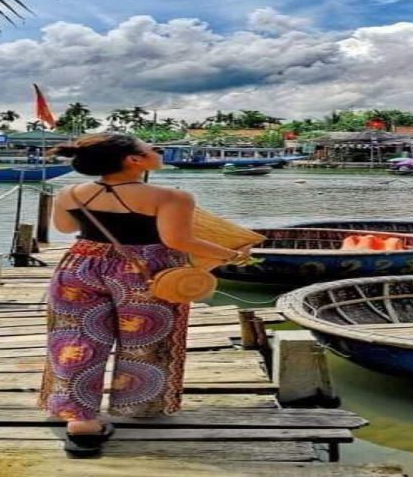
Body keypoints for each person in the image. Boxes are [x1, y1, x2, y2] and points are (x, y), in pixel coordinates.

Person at [37, 133, 252, 456]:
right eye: (149, 148)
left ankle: (80, 422)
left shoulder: (70, 192)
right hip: (144, 271)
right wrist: (231, 254)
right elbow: (178, 241)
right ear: (133, 160)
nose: (157, 150)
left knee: (75, 341)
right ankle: (138, 406)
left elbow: (65, 229)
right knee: (146, 340)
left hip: (80, 266)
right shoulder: (171, 197)